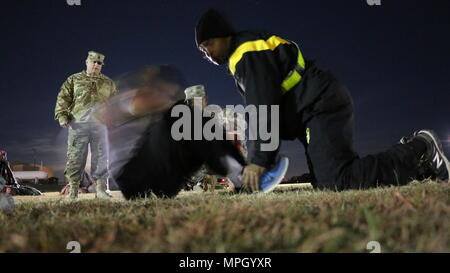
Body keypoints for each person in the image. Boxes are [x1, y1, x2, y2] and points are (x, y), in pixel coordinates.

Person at [194, 9, 450, 192]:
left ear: (224, 34)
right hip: (314, 109)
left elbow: (262, 107)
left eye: (209, 43)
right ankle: (419, 166)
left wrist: (260, 161)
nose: (206, 52)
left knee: (339, 181)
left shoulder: (246, 53)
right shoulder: (245, 52)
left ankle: (420, 148)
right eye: (202, 50)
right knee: (327, 183)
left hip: (321, 107)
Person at [54, 51, 117, 199]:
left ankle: (100, 190)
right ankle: (73, 190)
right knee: (76, 158)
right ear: (86, 62)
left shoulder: (108, 83)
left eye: (99, 63)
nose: (96, 64)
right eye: (93, 61)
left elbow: (115, 104)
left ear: (102, 65)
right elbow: (63, 98)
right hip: (78, 125)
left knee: (101, 158)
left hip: (100, 126)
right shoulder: (74, 79)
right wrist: (62, 116)